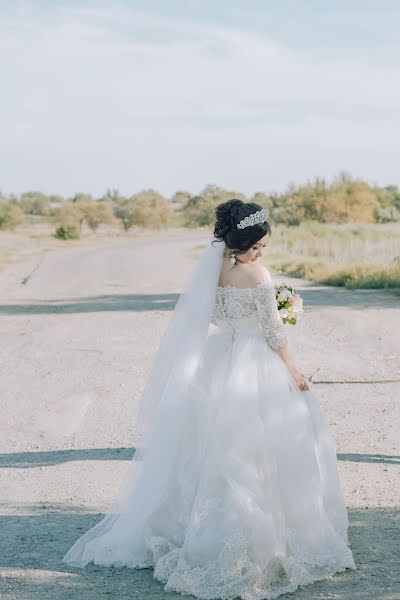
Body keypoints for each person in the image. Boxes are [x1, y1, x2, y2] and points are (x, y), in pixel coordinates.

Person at [63, 200, 356, 599]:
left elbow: (212, 318)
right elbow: (273, 333)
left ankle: (203, 526)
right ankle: (266, 533)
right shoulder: (259, 275)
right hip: (256, 362)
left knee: (214, 446)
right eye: (259, 246)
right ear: (247, 242)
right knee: (263, 445)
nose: (262, 253)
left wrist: (247, 319)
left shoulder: (214, 271)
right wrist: (293, 369)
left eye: (264, 248)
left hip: (220, 358)